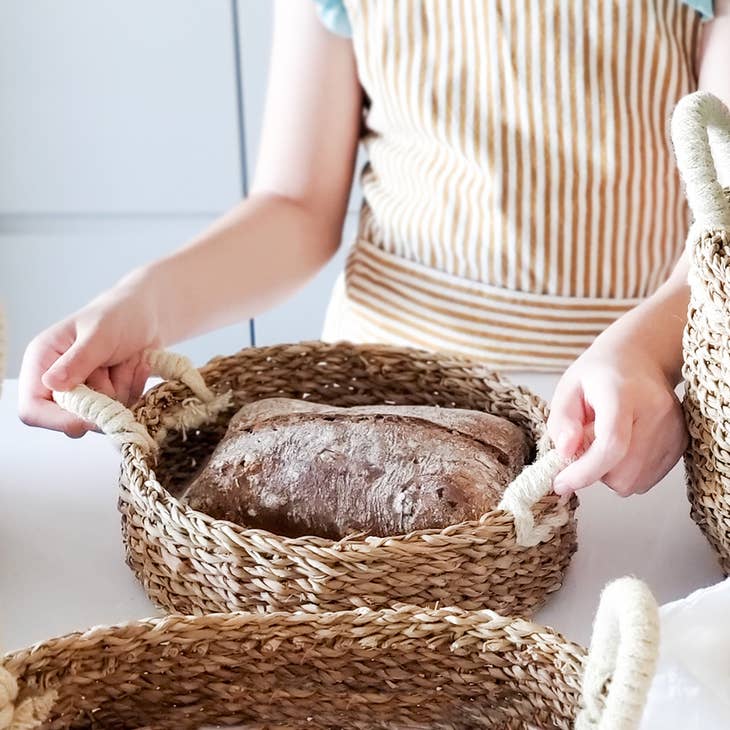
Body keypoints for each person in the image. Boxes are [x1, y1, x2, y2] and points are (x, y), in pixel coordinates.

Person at [18, 0, 730, 499]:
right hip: (376, 404)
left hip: (624, 416)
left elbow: (721, 217)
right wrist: (140, 307)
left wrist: (648, 356)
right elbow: (296, 206)